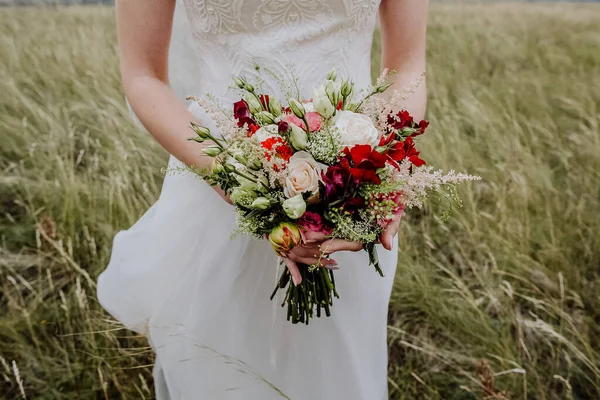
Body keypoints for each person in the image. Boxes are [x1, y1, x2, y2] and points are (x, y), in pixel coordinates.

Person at [98, 1, 428, 398]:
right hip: (215, 185)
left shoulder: (363, 186)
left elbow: (407, 65)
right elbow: (144, 75)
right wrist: (245, 186)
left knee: (336, 372)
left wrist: (383, 175)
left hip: (352, 194)